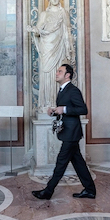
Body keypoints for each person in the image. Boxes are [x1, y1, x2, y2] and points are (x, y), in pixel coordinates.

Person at [32, 64, 96, 200]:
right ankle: (90, 190)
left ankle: (48, 191)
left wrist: (64, 109)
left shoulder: (73, 90)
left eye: (60, 71)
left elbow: (83, 110)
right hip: (69, 132)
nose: (57, 73)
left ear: (67, 75)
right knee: (78, 163)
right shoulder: (62, 90)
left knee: (61, 162)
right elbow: (64, 110)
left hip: (71, 134)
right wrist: (54, 111)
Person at [27, 0, 73, 112]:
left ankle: (57, 102)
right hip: (47, 48)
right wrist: (33, 30)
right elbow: (38, 29)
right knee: (47, 74)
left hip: (59, 48)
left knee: (59, 73)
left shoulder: (63, 13)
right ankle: (47, 102)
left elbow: (68, 30)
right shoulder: (44, 14)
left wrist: (69, 46)